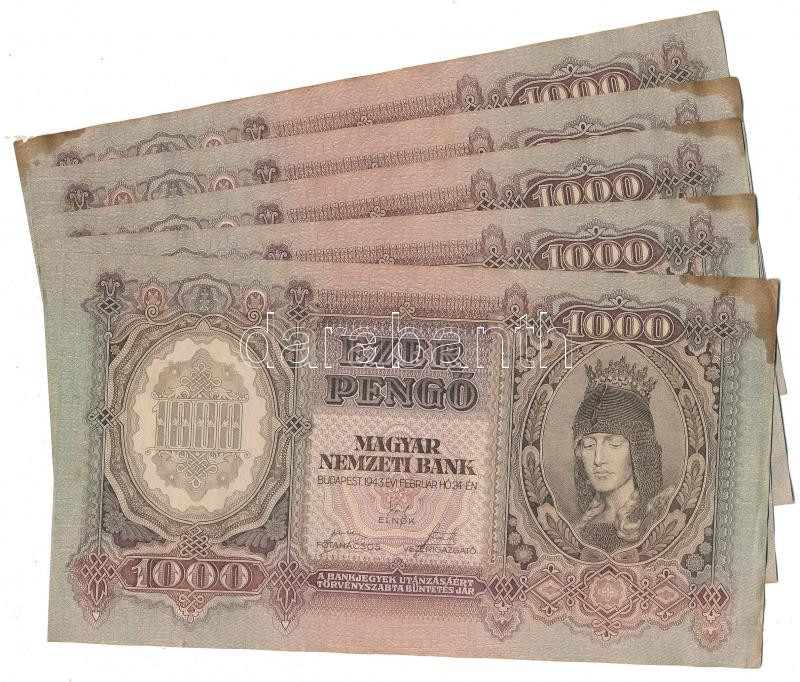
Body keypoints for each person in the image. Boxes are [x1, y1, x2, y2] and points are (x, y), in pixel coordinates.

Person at [571, 356, 675, 553]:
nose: (598, 460)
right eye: (589, 445)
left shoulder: (661, 515)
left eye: (614, 444)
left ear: (640, 451)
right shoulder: (582, 526)